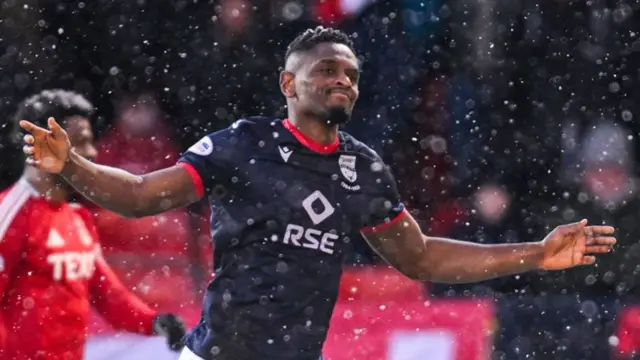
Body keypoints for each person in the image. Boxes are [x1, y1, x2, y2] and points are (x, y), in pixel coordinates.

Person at [19, 28, 616, 360]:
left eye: (351, 74)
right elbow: (143, 196)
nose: (341, 80)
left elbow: (423, 257)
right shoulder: (240, 144)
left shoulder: (364, 167)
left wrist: (535, 253)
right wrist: (70, 165)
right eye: (326, 70)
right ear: (288, 83)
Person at [2, 89, 186, 360]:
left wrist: (153, 322)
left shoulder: (78, 218)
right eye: (80, 142)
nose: (92, 152)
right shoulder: (10, 214)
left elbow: (107, 295)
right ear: (44, 146)